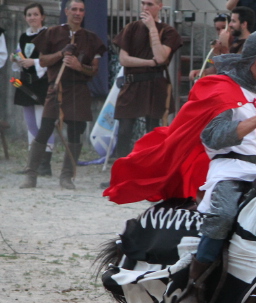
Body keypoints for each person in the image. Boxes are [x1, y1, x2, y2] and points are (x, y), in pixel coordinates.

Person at [104, 31, 256, 303]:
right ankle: (193, 288)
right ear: (250, 59)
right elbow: (212, 137)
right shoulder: (223, 90)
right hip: (230, 168)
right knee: (223, 215)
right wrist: (254, 120)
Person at [19, 0, 106, 190]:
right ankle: (31, 174)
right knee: (45, 129)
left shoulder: (92, 38)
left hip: (79, 90)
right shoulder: (52, 33)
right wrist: (60, 53)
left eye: (81, 10)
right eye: (74, 9)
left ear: (84, 14)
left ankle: (67, 176)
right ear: (66, 11)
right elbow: (42, 60)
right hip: (56, 88)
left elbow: (94, 70)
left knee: (76, 132)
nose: (77, 13)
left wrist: (78, 66)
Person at [112, 0, 182, 160]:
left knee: (152, 131)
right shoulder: (131, 28)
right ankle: (120, 172)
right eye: (143, 3)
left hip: (154, 84)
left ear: (159, 6)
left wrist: (152, 28)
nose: (145, 8)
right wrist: (148, 63)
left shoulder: (168, 31)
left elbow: (161, 56)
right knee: (124, 130)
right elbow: (124, 59)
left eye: (150, 4)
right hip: (132, 83)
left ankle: (147, 170)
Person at [11, 3, 53, 177]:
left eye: (36, 14)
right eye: (29, 15)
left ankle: (45, 163)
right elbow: (19, 54)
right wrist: (17, 60)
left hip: (42, 83)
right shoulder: (23, 36)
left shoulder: (49, 35)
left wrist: (34, 62)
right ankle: (32, 163)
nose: (32, 17)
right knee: (30, 125)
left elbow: (51, 58)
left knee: (43, 124)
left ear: (42, 16)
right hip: (25, 83)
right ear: (25, 17)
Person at [189, 7, 254, 82]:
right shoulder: (237, 43)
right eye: (217, 29)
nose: (230, 24)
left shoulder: (250, 45)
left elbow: (232, 70)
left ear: (244, 24)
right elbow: (217, 68)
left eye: (233, 21)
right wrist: (203, 72)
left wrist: (224, 48)